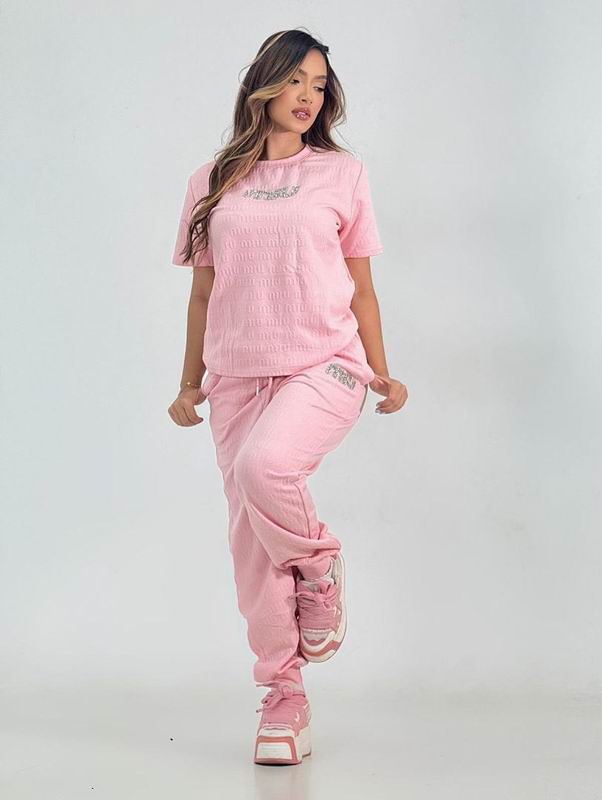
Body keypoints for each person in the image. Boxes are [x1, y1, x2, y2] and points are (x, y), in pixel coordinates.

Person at [167, 28, 408, 766]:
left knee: (265, 468)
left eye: (319, 84)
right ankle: (284, 698)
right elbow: (203, 292)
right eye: (296, 80)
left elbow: (361, 288)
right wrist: (189, 382)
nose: (308, 96)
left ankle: (319, 562)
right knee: (249, 546)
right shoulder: (212, 179)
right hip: (235, 376)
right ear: (263, 85)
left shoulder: (342, 174)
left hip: (324, 366)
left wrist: (382, 369)